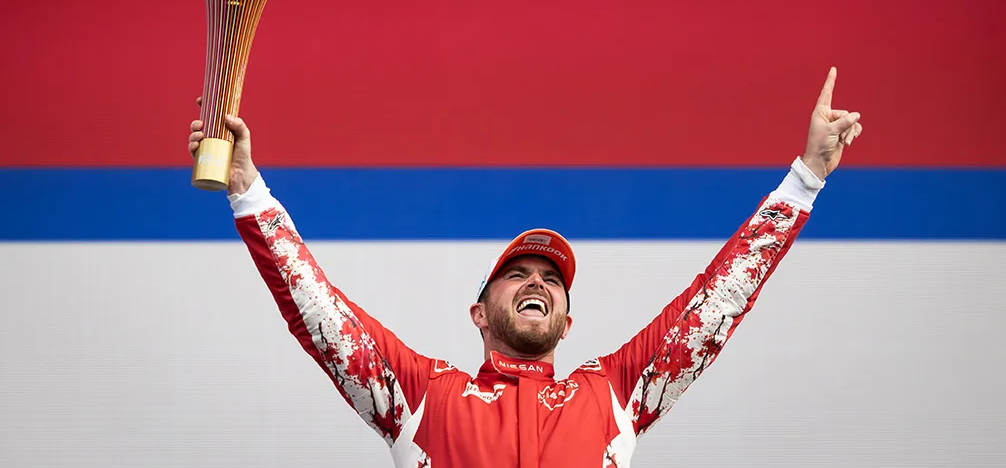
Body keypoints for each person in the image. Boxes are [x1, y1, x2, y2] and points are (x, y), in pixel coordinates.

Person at [187, 67, 862, 468]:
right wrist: (247, 188)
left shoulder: (615, 396)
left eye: (553, 281)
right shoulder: (423, 397)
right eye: (518, 274)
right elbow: (319, 314)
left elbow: (713, 306)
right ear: (478, 313)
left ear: (568, 324)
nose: (539, 281)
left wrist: (803, 182)